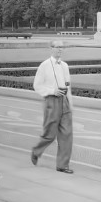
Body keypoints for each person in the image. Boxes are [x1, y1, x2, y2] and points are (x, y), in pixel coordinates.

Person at [30, 40, 74, 174]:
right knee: (49, 134)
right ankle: (36, 151)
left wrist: (70, 104)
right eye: (57, 47)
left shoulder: (65, 65)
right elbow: (37, 85)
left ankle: (62, 165)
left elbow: (68, 86)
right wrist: (52, 91)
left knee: (67, 134)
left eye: (62, 47)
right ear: (51, 48)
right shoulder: (44, 65)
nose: (60, 50)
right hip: (51, 101)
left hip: (64, 101)